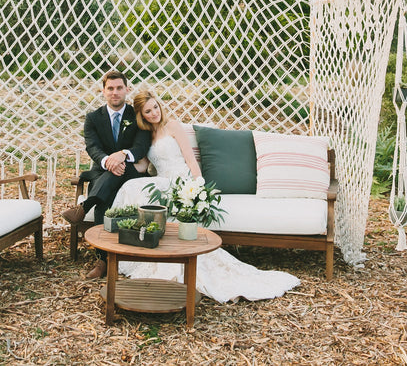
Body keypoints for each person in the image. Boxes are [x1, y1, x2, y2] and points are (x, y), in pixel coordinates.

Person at [109, 89, 300, 303]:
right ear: (141, 115)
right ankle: (134, 242)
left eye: (155, 107)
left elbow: (190, 159)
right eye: (148, 111)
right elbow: (144, 165)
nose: (154, 113)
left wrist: (199, 186)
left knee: (140, 189)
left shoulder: (172, 126)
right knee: (133, 186)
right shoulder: (145, 137)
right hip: (162, 181)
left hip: (180, 180)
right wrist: (121, 160)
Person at [62, 70, 151, 278]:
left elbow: (141, 146)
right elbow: (92, 147)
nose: (115, 92)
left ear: (127, 90)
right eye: (110, 88)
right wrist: (108, 162)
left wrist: (122, 155)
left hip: (130, 174)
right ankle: (103, 260)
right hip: (103, 172)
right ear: (103, 91)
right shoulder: (93, 118)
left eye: (119, 88)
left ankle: (84, 207)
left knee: (114, 179)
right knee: (106, 202)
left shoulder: (135, 115)